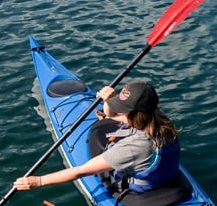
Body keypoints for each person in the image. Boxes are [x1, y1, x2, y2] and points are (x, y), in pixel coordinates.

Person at [13, 81, 180, 194]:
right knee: (109, 122)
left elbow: (80, 171)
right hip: (164, 175)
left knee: (98, 141)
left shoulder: (132, 148)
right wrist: (110, 100)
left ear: (135, 114)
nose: (118, 112)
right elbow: (111, 115)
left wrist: (39, 181)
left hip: (141, 188)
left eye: (122, 110)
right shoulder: (159, 119)